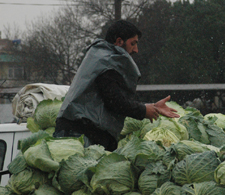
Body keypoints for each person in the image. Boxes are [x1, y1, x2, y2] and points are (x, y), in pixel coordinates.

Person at [54, 20, 180, 151]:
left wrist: (152, 107)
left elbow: (112, 98)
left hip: (79, 129)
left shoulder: (100, 56)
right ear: (119, 42)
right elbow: (114, 101)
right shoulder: (107, 62)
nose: (136, 50)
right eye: (133, 43)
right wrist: (143, 110)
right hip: (80, 132)